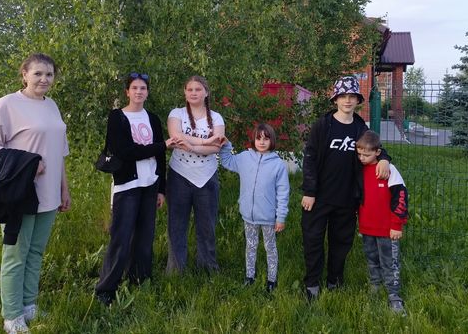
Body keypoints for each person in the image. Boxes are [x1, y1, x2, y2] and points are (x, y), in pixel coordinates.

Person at [0, 53, 71, 334]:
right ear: (24, 75)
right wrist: (27, 165)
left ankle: (29, 305)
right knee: (16, 255)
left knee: (35, 252)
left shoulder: (52, 105)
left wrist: (64, 189)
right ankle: (12, 316)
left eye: (49, 74)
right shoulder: (8, 104)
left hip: (49, 194)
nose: (44, 79)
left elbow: (60, 152)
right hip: (20, 194)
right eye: (38, 73)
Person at [301, 75, 391, 300]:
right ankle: (312, 283)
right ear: (335, 100)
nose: (347, 100)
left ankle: (334, 280)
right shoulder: (323, 125)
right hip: (319, 197)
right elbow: (310, 158)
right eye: (343, 96)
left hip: (347, 197)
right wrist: (309, 191)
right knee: (313, 240)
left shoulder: (360, 128)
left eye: (352, 96)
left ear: (358, 100)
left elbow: (376, 148)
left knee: (341, 242)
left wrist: (384, 159)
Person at [95, 73, 177, 306]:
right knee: (121, 238)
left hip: (150, 184)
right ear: (127, 92)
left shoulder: (152, 118)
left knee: (144, 237)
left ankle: (139, 280)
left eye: (143, 88)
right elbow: (125, 152)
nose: (139, 92)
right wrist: (162, 145)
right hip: (127, 186)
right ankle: (106, 289)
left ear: (147, 92)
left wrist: (161, 189)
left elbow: (160, 157)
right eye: (134, 88)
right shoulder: (117, 118)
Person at [218, 123, 290, 292]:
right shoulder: (244, 158)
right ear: (253, 140)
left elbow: (283, 192)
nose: (262, 142)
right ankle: (249, 276)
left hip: (268, 217)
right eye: (258, 138)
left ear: (272, 141)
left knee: (270, 248)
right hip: (248, 216)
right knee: (250, 246)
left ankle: (272, 280)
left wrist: (280, 217)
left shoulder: (278, 165)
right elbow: (227, 161)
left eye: (266, 139)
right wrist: (226, 145)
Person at [165, 75, 225, 273]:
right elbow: (176, 136)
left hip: (207, 177)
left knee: (207, 226)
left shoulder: (216, 118)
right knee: (176, 225)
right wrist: (205, 142)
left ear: (206, 93)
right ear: (185, 92)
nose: (193, 93)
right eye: (189, 89)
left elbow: (217, 147)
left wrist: (191, 146)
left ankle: (207, 268)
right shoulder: (176, 113)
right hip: (179, 175)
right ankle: (176, 270)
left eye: (198, 89)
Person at [356, 130, 408, 315]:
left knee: (390, 262)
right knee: (372, 259)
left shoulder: (389, 170)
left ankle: (394, 295)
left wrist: (396, 225)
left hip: (387, 230)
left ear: (378, 152)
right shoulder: (359, 170)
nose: (362, 158)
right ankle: (375, 286)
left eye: (366, 155)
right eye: (359, 154)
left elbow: (400, 198)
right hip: (366, 227)